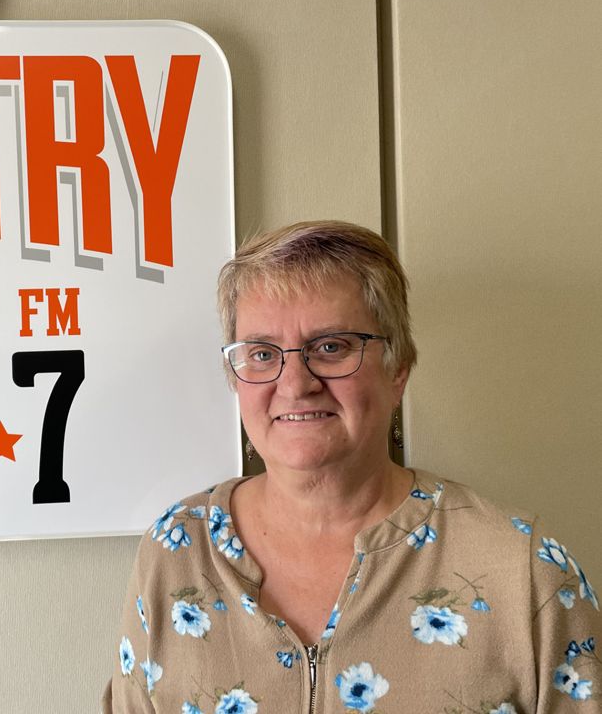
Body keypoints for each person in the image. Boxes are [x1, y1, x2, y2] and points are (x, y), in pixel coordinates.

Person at [102, 221, 601, 714]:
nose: (295, 384)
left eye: (331, 347)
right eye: (261, 352)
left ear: (397, 370)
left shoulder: (521, 569)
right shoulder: (176, 554)